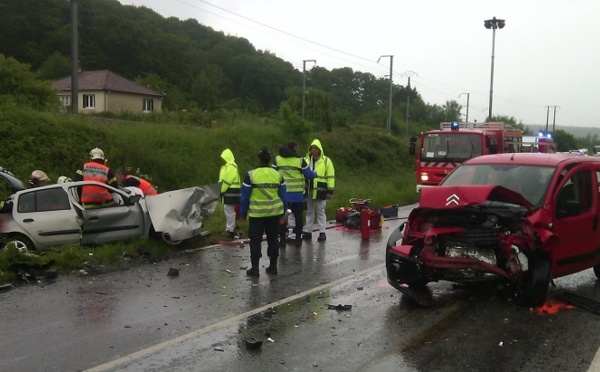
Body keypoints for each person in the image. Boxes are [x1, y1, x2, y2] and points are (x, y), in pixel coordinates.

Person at [239, 147, 287, 277]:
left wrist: (242, 213)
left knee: (255, 240)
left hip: (257, 215)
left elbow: (244, 197)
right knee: (273, 239)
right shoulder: (278, 175)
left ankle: (255, 269)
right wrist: (284, 212)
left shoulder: (251, 175)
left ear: (259, 160)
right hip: (274, 214)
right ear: (269, 160)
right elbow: (283, 195)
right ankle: (273, 266)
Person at [273, 140, 316, 247]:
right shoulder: (299, 161)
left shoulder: (278, 159)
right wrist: (315, 173)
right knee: (298, 218)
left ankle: (282, 240)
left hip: (283, 196)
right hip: (297, 196)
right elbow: (309, 175)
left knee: (282, 219)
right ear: (295, 148)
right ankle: (298, 240)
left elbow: (272, 172)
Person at [303, 139, 335, 242]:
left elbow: (330, 176)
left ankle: (322, 232)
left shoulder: (326, 161)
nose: (314, 150)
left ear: (320, 149)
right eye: (312, 148)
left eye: (316, 148)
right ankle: (308, 231)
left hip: (321, 190)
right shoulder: (306, 160)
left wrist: (330, 191)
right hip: (308, 189)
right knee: (309, 211)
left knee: (321, 211)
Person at [218, 149, 242, 239]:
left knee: (229, 210)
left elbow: (227, 180)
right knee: (229, 210)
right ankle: (230, 228)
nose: (222, 160)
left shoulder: (231, 166)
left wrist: (221, 190)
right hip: (231, 191)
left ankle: (230, 230)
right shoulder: (228, 166)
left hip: (231, 191)